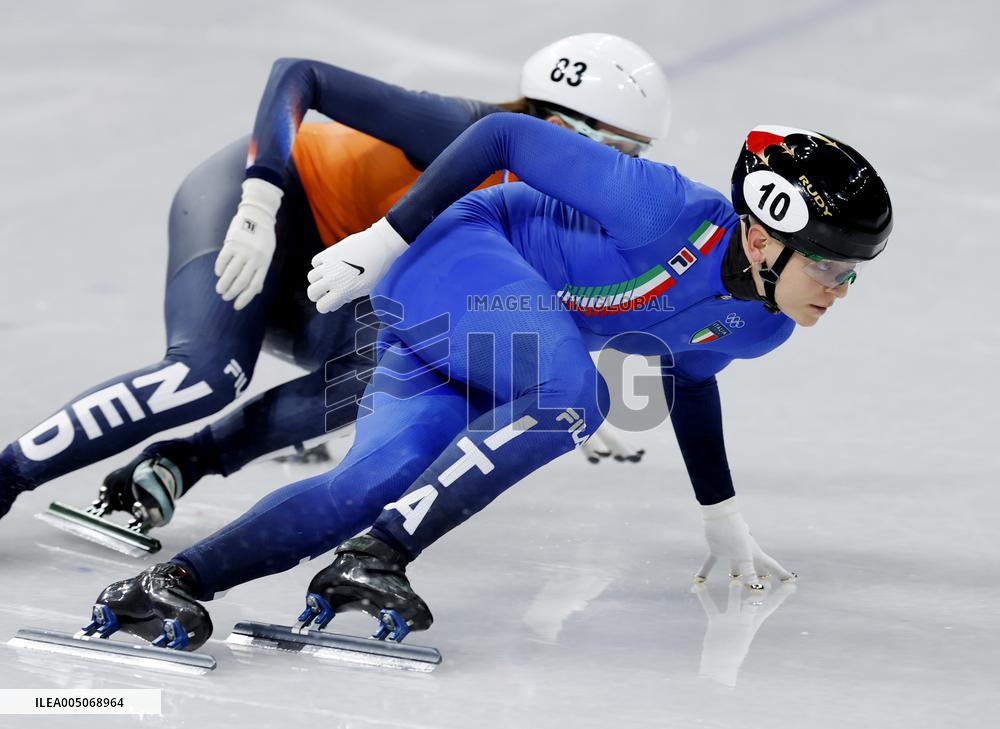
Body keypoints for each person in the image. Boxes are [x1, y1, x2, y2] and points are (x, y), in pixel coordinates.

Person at [86, 112, 891, 652]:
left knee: (364, 485)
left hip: (483, 339)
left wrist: (723, 518)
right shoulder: (662, 207)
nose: (839, 287)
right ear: (759, 234)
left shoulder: (764, 323)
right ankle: (382, 554)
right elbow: (504, 135)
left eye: (853, 273)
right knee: (578, 396)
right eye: (828, 263)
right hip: (454, 255)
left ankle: (170, 581)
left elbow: (686, 378)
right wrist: (384, 236)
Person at [0, 34, 668, 528]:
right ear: (560, 126)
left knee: (390, 366)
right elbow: (300, 73)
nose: (624, 172)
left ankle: (183, 461)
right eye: (621, 152)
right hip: (266, 208)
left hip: (333, 273)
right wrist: (260, 202)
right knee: (206, 373)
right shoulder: (461, 129)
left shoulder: (560, 201)